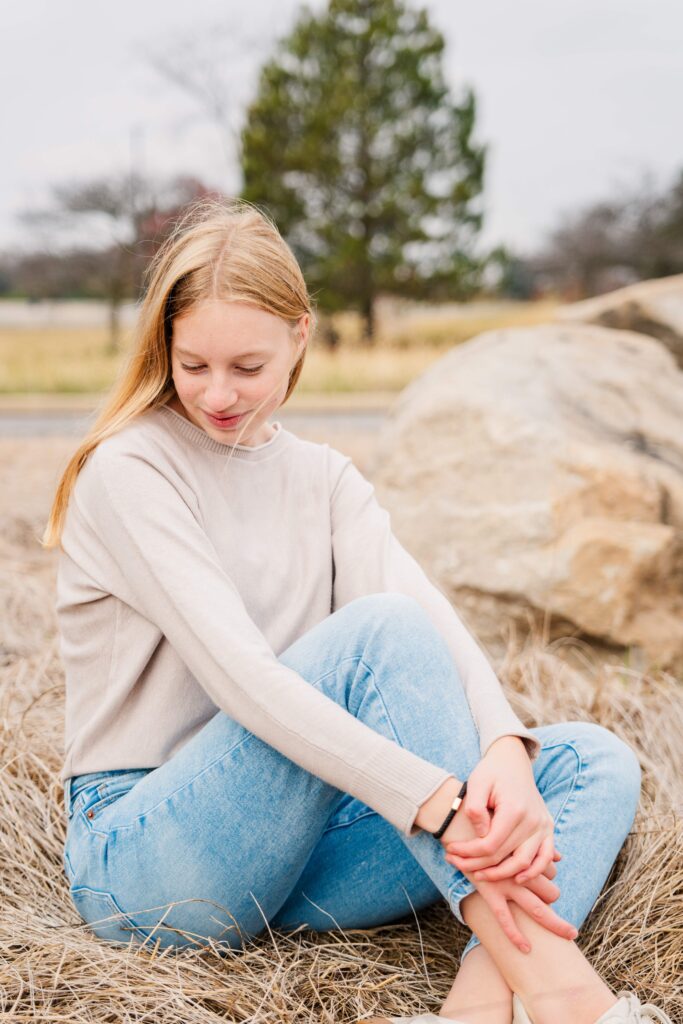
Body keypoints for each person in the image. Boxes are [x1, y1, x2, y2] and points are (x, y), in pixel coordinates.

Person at [42, 199, 668, 1024]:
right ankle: (566, 999)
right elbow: (244, 681)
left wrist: (505, 751)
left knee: (588, 762)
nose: (218, 394)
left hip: (295, 853)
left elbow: (430, 614)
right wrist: (438, 802)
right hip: (151, 856)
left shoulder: (322, 478)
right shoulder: (131, 470)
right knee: (378, 635)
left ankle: (476, 1006)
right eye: (192, 365)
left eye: (247, 366)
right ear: (163, 346)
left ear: (300, 337)